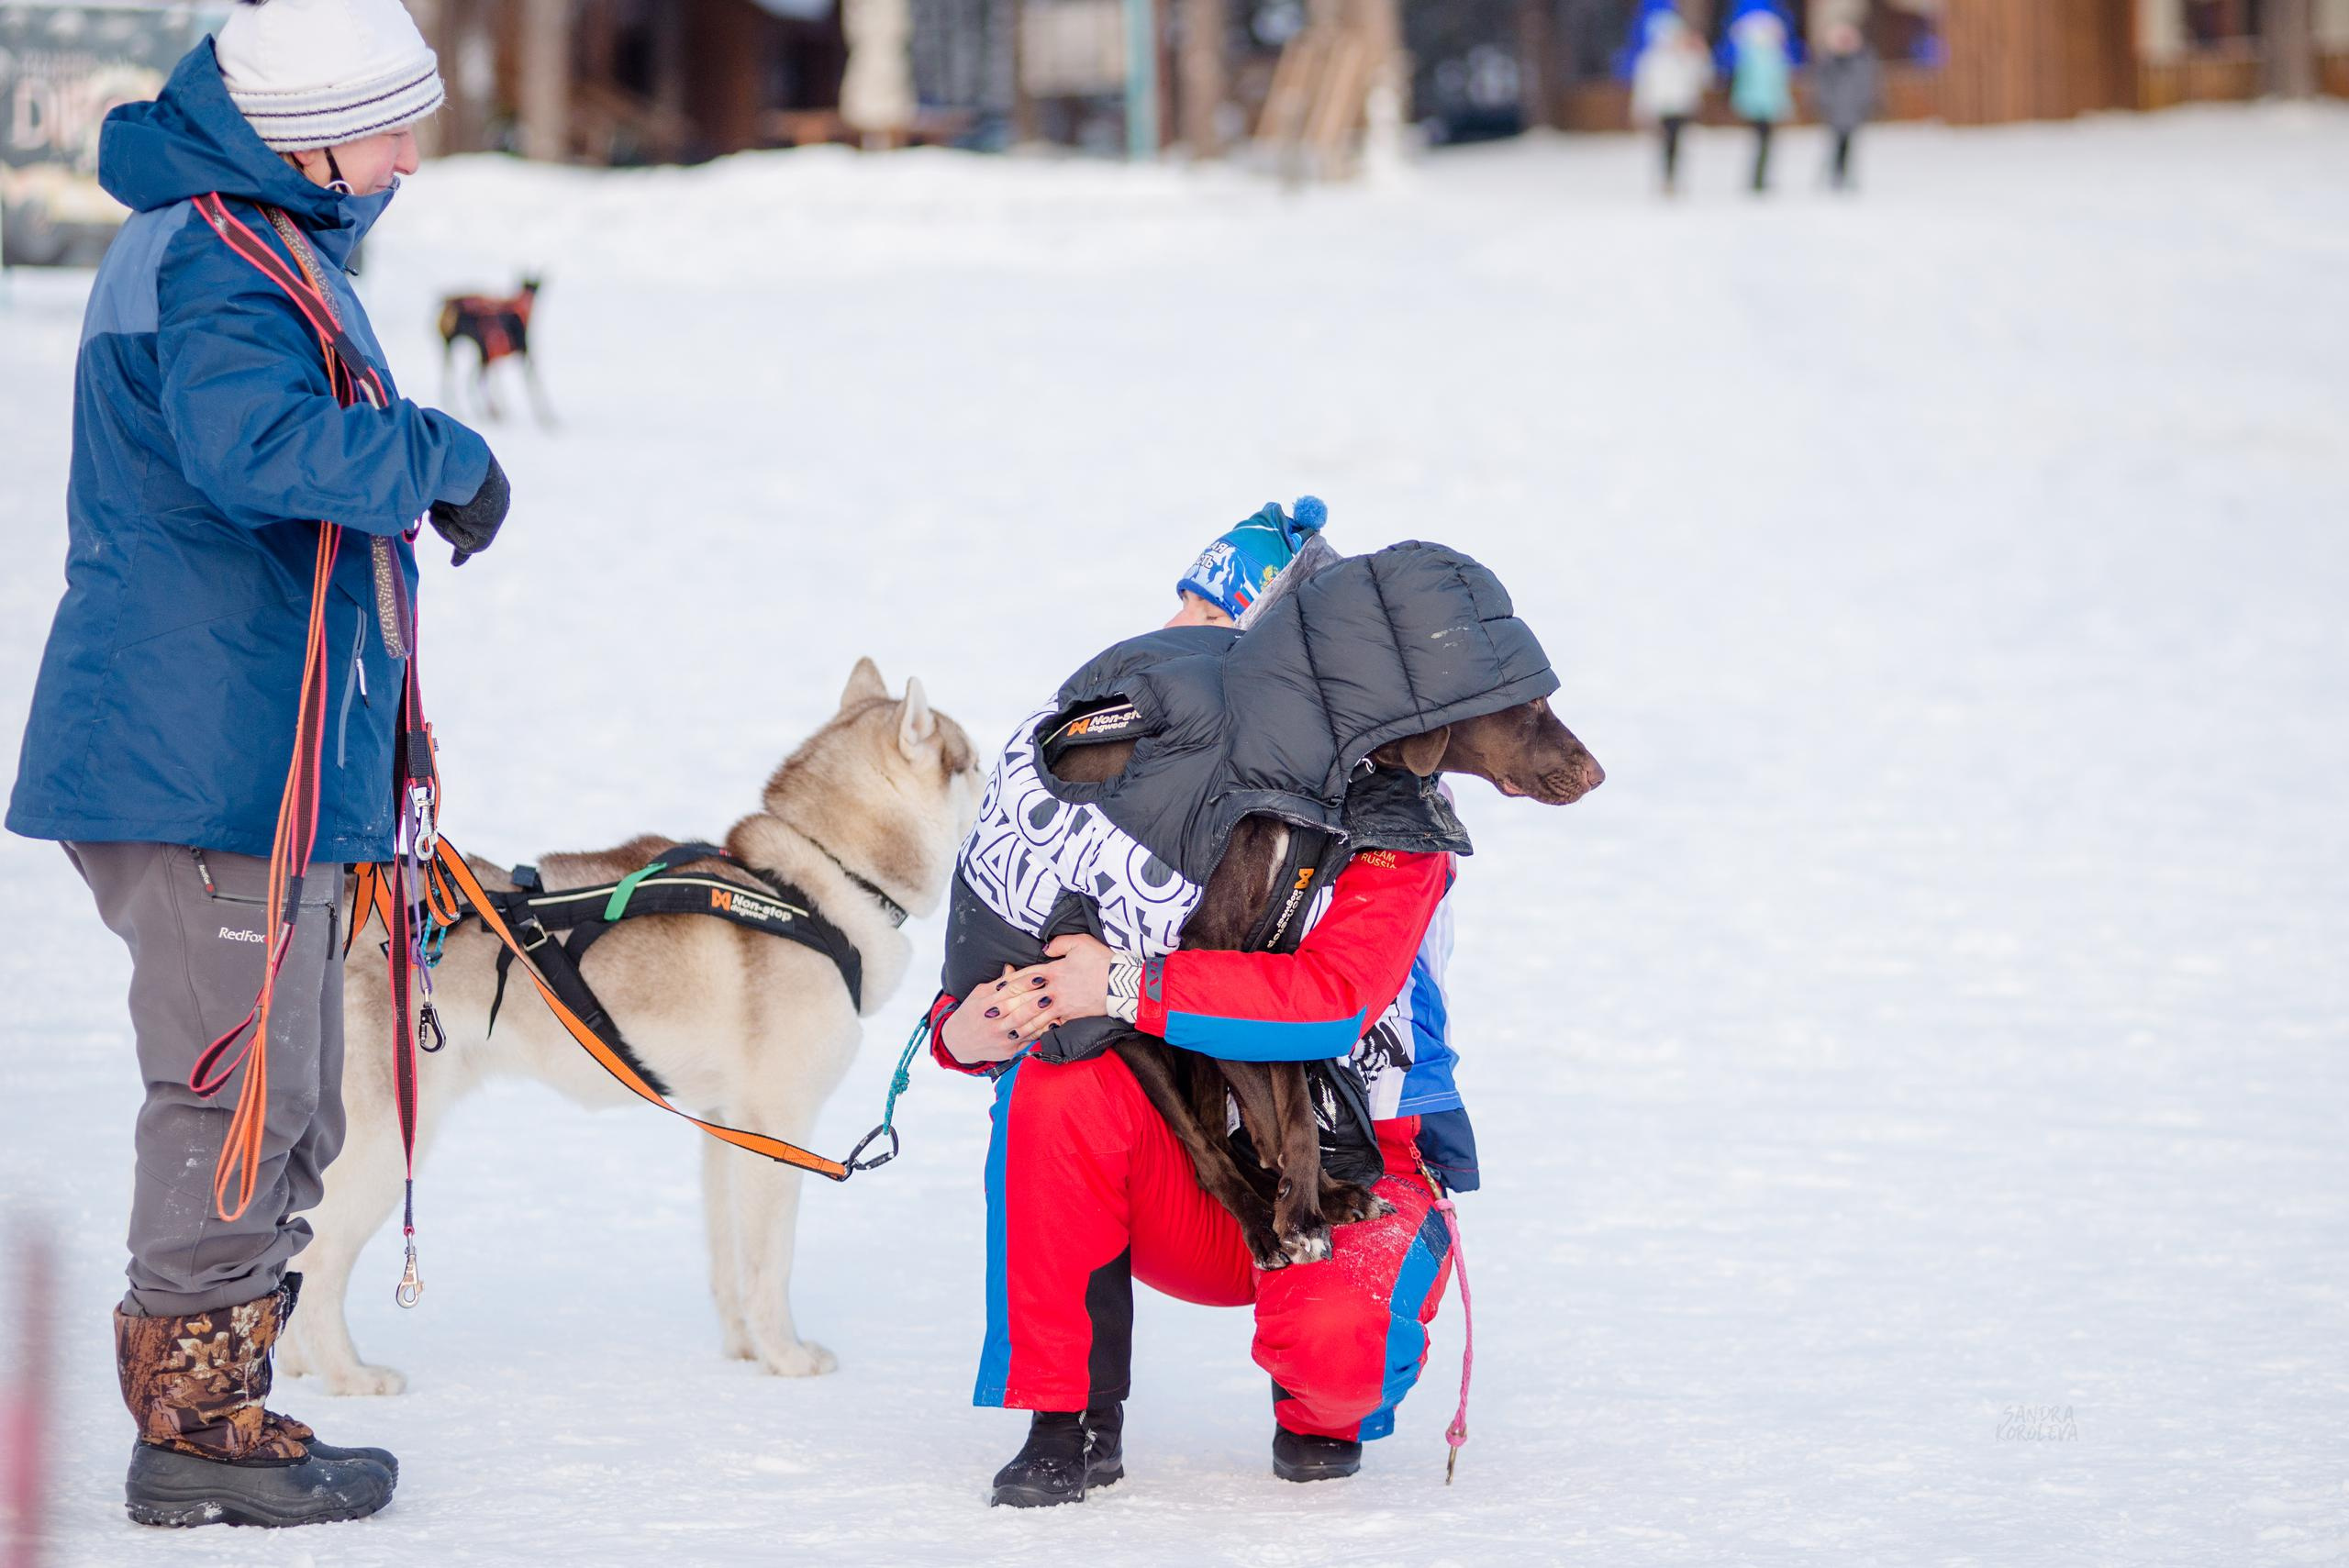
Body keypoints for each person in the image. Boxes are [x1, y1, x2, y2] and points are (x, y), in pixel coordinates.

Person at [6, 0, 505, 1530]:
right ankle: (198, 1426)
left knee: (289, 1094)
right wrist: (445, 452)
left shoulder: (251, 240)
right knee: (235, 1095)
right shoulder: (219, 254)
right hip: (201, 755)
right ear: (308, 132)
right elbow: (255, 453)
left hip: (247, 749)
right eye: (391, 127)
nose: (410, 158)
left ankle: (220, 1398)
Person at [930, 506, 1514, 1507]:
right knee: (1054, 1085)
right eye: (1185, 621)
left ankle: (1317, 1400)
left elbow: (1329, 1000)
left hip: (1343, 1161)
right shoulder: (1143, 775)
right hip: (1181, 1161)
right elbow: (1022, 937)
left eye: (1221, 627)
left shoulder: (1395, 824)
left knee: (1338, 1342)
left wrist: (1125, 982)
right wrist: (962, 1031)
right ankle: (1067, 1417)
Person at [1631, 12, 1712, 197]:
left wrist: (1702, 54)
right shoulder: (1652, 60)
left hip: (1682, 108)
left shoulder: (1687, 58)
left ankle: (1674, 180)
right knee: (1666, 145)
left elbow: (1704, 78)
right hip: (1662, 108)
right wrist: (1642, 110)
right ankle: (1666, 180)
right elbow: (1644, 87)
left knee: (1678, 145)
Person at [1727, 5, 1796, 193]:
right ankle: (1756, 178)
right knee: (1759, 142)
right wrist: (1742, 102)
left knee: (1767, 143)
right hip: (1756, 105)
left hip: (1770, 105)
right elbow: (1744, 82)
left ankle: (1762, 177)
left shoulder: (1775, 56)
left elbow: (1779, 83)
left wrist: (1783, 102)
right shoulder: (1751, 57)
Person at [1813, 21, 1879, 191]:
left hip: (1853, 110)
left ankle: (1846, 176)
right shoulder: (1829, 62)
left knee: (1850, 145)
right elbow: (1821, 86)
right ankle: (1835, 176)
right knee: (1836, 144)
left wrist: (1868, 103)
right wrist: (1823, 103)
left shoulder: (1861, 60)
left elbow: (1867, 84)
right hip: (1835, 110)